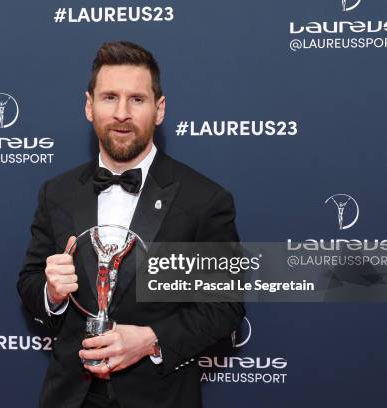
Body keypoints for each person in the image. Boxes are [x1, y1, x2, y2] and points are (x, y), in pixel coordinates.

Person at [17, 41, 245, 408]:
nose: (122, 113)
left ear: (159, 109)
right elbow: (29, 282)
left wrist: (152, 339)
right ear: (89, 106)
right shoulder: (55, 193)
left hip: (159, 395)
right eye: (109, 98)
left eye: (137, 99)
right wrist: (51, 294)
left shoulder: (204, 200)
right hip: (69, 396)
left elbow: (224, 307)